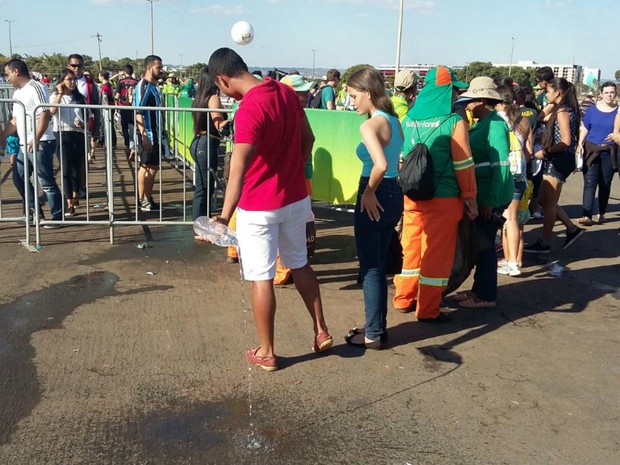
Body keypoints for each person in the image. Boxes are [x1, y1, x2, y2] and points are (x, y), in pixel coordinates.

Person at [203, 47, 332, 371]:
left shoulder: (248, 110)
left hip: (260, 206)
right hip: (295, 199)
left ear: (222, 79)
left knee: (261, 277)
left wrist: (222, 216)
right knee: (300, 264)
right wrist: (294, 168)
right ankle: (321, 331)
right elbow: (309, 138)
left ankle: (267, 351)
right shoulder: (287, 94)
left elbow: (238, 166)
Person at [392, 66, 477, 322]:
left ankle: (403, 298)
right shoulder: (454, 122)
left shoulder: (408, 120)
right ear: (446, 91)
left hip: (412, 195)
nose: (455, 96)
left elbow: (401, 158)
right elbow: (463, 165)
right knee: (435, 255)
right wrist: (470, 197)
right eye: (454, 90)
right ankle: (428, 309)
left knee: (411, 248)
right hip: (444, 199)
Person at [339, 66, 403, 349]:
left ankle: (373, 333)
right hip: (393, 193)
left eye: (354, 96)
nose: (352, 102)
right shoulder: (394, 120)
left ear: (367, 92)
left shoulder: (370, 124)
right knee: (377, 263)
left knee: (372, 267)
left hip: (376, 190)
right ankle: (376, 327)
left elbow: (381, 164)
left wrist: (367, 191)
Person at [453, 76, 513, 308]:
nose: (466, 104)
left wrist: (491, 200)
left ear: (480, 100)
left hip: (490, 196)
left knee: (485, 246)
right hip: (482, 195)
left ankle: (486, 295)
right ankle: (478, 290)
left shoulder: (495, 125)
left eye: (469, 100)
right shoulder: (482, 124)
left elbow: (501, 165)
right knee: (479, 244)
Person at [0, 59, 62, 228]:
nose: (7, 79)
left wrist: (35, 137)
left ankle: (58, 216)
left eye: (7, 75)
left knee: (45, 180)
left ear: (16, 72)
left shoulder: (37, 87)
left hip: (41, 142)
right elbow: (14, 120)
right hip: (24, 143)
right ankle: (35, 211)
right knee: (19, 178)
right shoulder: (17, 93)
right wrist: (2, 136)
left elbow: (45, 113)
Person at [524, 78, 584, 254]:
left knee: (548, 203)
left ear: (557, 92)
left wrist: (546, 151)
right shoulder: (564, 109)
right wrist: (551, 104)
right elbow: (541, 117)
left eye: (548, 91)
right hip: (561, 158)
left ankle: (545, 242)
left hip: (559, 158)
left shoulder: (563, 111)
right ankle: (571, 229)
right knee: (545, 200)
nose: (545, 94)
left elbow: (565, 141)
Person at [495, 85, 533, 277]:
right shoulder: (524, 121)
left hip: (505, 174)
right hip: (520, 175)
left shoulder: (498, 120)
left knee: (508, 219)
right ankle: (515, 259)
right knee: (516, 221)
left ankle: (512, 263)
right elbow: (530, 151)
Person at [576, 82, 617, 225]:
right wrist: (580, 144)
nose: (609, 95)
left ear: (616, 94)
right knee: (590, 182)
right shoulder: (592, 111)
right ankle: (586, 215)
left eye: (612, 92)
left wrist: (616, 134)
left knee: (605, 183)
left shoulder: (618, 112)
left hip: (609, 151)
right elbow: (585, 128)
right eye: (606, 92)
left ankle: (601, 212)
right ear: (601, 94)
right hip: (591, 150)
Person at [190, 66, 228, 220]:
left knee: (202, 187)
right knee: (205, 188)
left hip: (198, 142)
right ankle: (200, 223)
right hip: (207, 144)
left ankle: (200, 221)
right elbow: (218, 122)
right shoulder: (213, 98)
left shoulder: (199, 98)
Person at [49, 68, 86, 217]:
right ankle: (69, 201)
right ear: (61, 81)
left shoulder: (80, 98)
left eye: (74, 79)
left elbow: (87, 117)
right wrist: (59, 94)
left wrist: (82, 124)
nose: (72, 82)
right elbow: (52, 111)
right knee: (65, 168)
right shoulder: (55, 96)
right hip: (61, 133)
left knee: (78, 167)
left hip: (77, 134)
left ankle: (76, 194)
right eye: (69, 79)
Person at [134, 55, 165, 212]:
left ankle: (148, 197)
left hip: (156, 133)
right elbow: (139, 110)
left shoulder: (154, 87)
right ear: (149, 68)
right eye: (158, 67)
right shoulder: (144, 86)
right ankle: (142, 199)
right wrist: (144, 135)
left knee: (152, 167)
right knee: (146, 167)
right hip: (148, 133)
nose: (161, 70)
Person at [115, 65, 138, 160]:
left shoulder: (120, 82)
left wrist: (116, 107)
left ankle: (128, 145)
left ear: (124, 72)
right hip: (133, 107)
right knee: (133, 127)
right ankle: (133, 146)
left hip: (123, 106)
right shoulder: (137, 82)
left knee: (124, 127)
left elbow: (117, 96)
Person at [98, 70, 117, 150]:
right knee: (109, 125)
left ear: (102, 77)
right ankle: (109, 142)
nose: (98, 77)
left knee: (107, 125)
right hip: (110, 107)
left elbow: (105, 99)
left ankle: (110, 142)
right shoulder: (108, 85)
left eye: (99, 76)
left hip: (107, 108)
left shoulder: (105, 87)